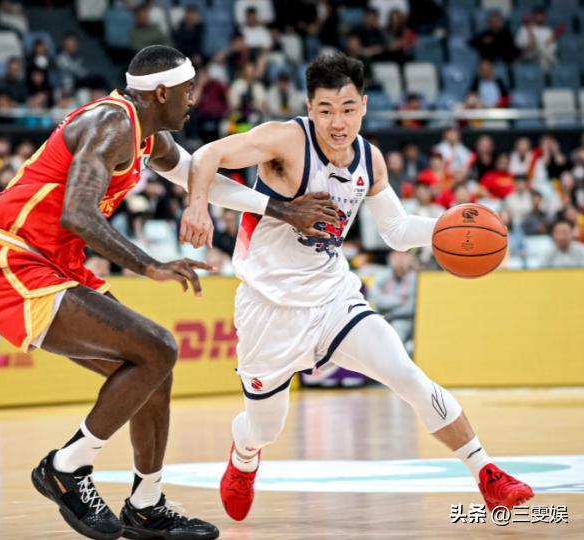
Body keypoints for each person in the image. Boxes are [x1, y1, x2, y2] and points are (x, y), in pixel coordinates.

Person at [0, 45, 335, 540]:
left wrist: (281, 210)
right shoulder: (111, 123)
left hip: (56, 264)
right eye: (187, 91)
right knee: (159, 347)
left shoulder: (147, 137)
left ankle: (146, 504)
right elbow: (77, 213)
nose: (193, 100)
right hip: (13, 262)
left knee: (153, 370)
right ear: (161, 92)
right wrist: (149, 265)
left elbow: (200, 177)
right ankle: (67, 466)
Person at [179, 51, 534, 522]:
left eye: (348, 108)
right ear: (310, 108)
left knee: (406, 375)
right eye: (326, 110)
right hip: (269, 307)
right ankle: (244, 457)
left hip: (334, 298)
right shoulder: (286, 140)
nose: (338, 122)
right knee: (265, 428)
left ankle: (487, 473)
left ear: (363, 106)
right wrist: (197, 205)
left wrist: (452, 227)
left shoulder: (370, 159)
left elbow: (397, 232)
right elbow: (208, 155)